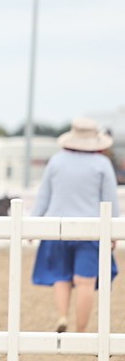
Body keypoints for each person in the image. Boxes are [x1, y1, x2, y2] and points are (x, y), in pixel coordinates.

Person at [31, 117, 119, 333]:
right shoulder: (102, 164)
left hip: (57, 228)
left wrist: (32, 222)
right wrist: (114, 232)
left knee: (61, 278)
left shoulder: (56, 161)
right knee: (85, 282)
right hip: (91, 230)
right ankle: (81, 332)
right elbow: (110, 200)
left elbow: (43, 196)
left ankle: (62, 316)